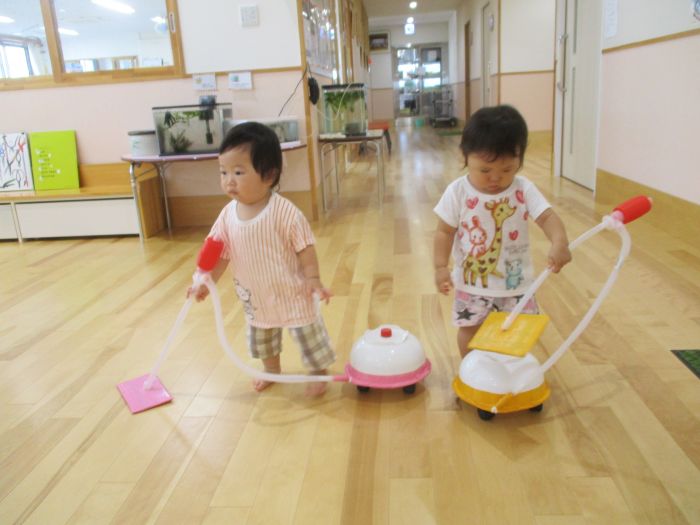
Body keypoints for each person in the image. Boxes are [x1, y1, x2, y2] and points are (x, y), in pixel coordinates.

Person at [188, 121, 334, 396]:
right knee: (262, 339)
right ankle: (271, 369)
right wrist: (204, 281)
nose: (228, 180)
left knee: (308, 335)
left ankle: (317, 371)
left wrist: (313, 278)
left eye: (239, 172)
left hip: (292, 291)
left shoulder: (284, 212)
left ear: (268, 175)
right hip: (256, 296)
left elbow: (305, 246)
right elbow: (217, 251)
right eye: (223, 171)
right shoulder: (228, 215)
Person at [433, 105, 572, 358]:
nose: (495, 178)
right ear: (466, 157)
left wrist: (559, 240)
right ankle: (470, 370)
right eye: (485, 170)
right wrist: (440, 266)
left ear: (519, 161)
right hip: (472, 284)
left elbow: (547, 216)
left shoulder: (522, 189)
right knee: (469, 330)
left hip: (516, 284)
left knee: (519, 331)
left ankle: (510, 371)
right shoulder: (458, 191)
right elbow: (444, 231)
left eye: (507, 170)